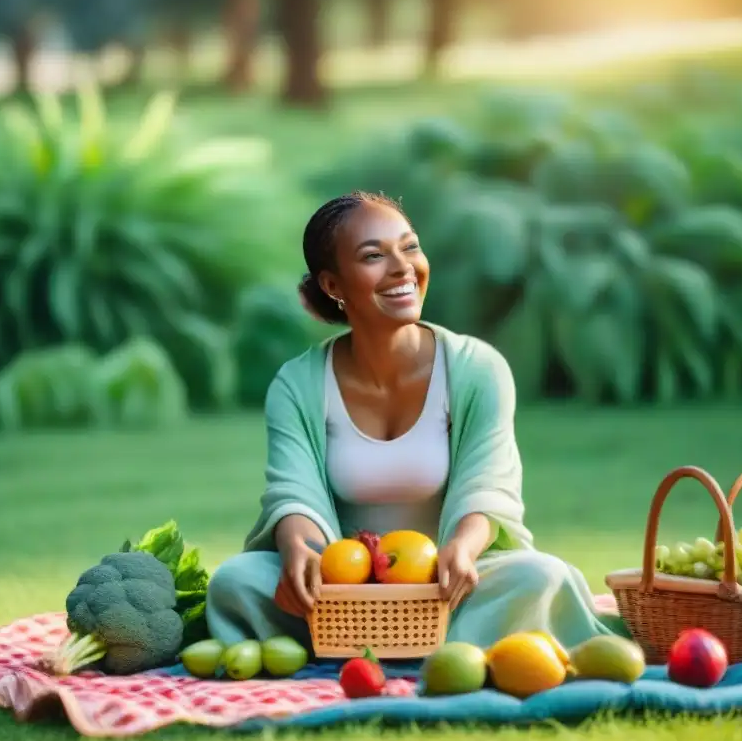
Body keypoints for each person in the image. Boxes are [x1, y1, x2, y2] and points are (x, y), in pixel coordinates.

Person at [205, 191, 619, 652]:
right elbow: (293, 491)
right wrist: (298, 550)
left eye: (410, 247)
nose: (402, 267)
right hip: (341, 592)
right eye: (373, 256)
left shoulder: (476, 368)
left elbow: (490, 485)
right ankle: (426, 646)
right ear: (333, 285)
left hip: (447, 584)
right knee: (236, 581)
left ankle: (373, 647)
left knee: (543, 576)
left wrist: (461, 548)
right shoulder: (299, 383)